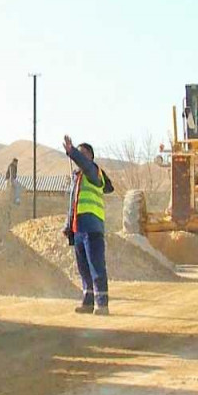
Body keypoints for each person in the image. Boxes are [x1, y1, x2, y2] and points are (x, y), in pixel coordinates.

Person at [62, 135, 114, 315]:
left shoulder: (94, 172)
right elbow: (73, 203)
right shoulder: (77, 179)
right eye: (79, 153)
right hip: (78, 229)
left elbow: (84, 163)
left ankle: (102, 304)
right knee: (83, 268)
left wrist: (72, 152)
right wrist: (67, 224)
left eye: (83, 154)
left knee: (96, 266)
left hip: (92, 228)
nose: (80, 158)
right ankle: (88, 302)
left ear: (90, 157)